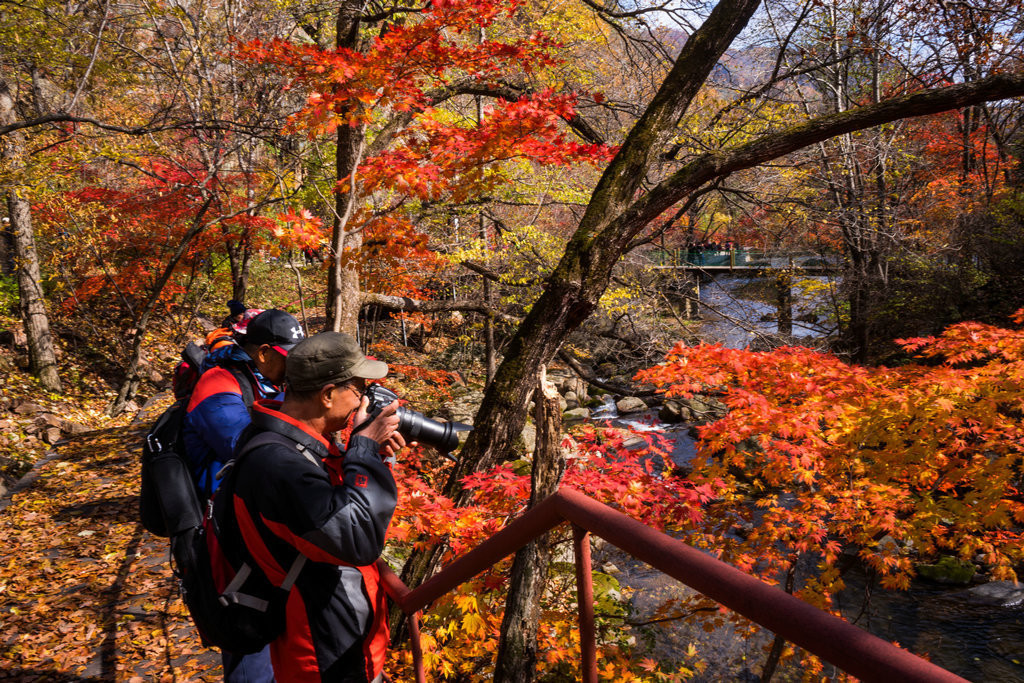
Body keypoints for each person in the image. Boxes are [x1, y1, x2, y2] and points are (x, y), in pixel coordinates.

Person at [220, 331, 403, 682]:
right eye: (360, 390)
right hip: (321, 654)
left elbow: (332, 510)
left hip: (337, 640)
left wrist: (370, 456)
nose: (363, 401)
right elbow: (357, 540)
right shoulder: (277, 465)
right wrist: (362, 450)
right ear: (328, 394)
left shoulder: (286, 442)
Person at [183, 308, 304, 683]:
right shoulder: (217, 385)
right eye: (289, 357)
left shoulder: (268, 381)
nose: (295, 366)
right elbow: (246, 446)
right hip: (226, 535)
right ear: (264, 353)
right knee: (249, 635)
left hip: (261, 521)